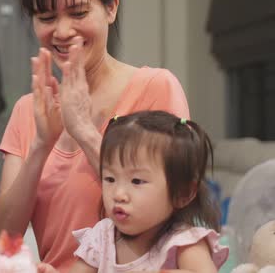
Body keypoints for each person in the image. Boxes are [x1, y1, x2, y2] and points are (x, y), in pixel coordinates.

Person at [0, 0, 190, 271]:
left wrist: (83, 130)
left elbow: (173, 202)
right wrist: (41, 144)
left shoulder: (156, 88)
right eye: (47, 16)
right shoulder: (29, 110)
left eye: (79, 12)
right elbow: (2, 236)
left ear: (111, 8)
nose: (64, 30)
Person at [37, 111, 229, 272]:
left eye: (137, 181)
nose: (118, 194)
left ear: (183, 194)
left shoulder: (183, 244)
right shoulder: (102, 237)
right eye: (110, 179)